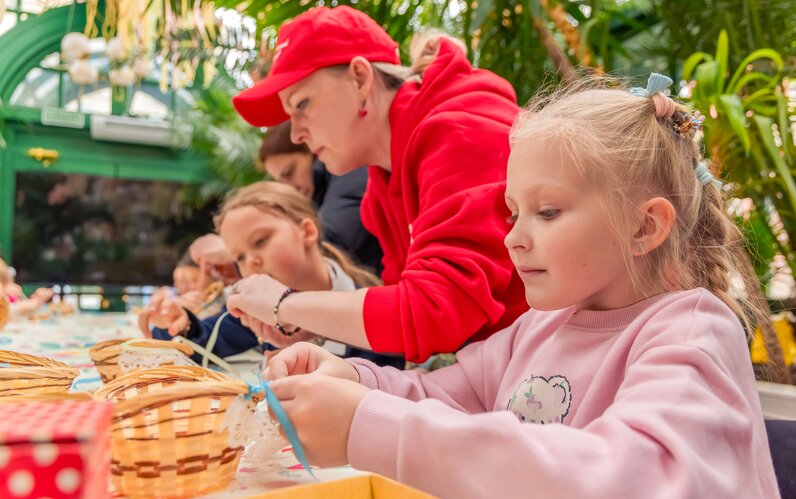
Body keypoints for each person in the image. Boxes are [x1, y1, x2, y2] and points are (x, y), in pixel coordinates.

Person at [258, 75, 787, 499]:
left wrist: (368, 425)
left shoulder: (691, 333)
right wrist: (353, 382)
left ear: (644, 226)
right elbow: (436, 396)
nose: (512, 238)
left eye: (548, 212)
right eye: (513, 213)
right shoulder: (538, 328)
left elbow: (624, 492)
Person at [224, 6, 527, 364]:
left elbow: (437, 312)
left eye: (302, 104)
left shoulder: (461, 131)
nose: (296, 134)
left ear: (360, 78)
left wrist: (287, 305)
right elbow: (409, 312)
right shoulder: (382, 183)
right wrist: (311, 324)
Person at [142, 181, 403, 369]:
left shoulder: (371, 307)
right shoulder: (259, 311)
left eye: (260, 241)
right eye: (239, 257)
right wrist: (177, 323)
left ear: (307, 232)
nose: (251, 262)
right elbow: (202, 343)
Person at [259, 121, 383, 275]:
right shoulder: (318, 194)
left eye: (290, 172)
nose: (290, 187)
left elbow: (335, 238)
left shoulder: (346, 170)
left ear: (310, 150)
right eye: (281, 182)